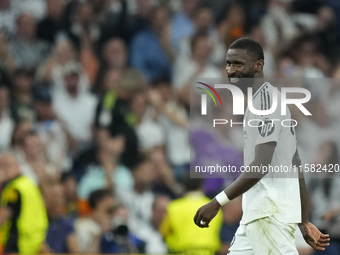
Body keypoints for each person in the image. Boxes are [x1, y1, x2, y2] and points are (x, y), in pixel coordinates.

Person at [194, 37, 330, 254]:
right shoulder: (261, 102)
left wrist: (217, 202)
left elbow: (261, 165)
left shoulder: (266, 104)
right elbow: (294, 163)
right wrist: (303, 220)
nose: (231, 70)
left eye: (238, 64)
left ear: (259, 65)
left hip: (269, 216)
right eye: (228, 64)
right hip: (254, 216)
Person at [0, 152, 48, 254]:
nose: (3, 170)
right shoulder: (29, 183)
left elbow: (4, 216)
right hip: (35, 243)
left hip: (17, 243)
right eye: (1, 166)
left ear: (17, 165)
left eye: (6, 165)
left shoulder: (14, 189)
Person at [161, 176, 222, 253]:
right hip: (207, 251)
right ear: (202, 186)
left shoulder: (173, 207)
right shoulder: (213, 208)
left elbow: (164, 232)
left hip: (181, 251)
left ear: (184, 186)